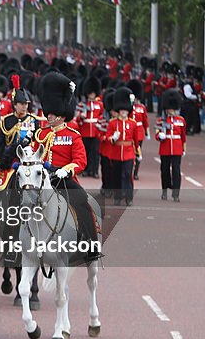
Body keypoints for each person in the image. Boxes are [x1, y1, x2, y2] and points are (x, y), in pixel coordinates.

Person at [29, 72, 99, 261]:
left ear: (61, 115)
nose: (49, 116)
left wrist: (66, 170)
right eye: (48, 113)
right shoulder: (40, 134)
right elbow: (32, 153)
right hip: (41, 179)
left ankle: (91, 245)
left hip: (62, 180)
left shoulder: (73, 135)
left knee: (83, 205)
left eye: (52, 114)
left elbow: (81, 161)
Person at [104, 87, 139, 206]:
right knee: (116, 175)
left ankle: (129, 198)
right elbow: (108, 137)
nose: (124, 111)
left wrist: (138, 152)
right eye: (122, 110)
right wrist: (113, 138)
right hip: (116, 152)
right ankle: (118, 197)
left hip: (129, 152)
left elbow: (136, 139)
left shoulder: (132, 123)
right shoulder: (112, 123)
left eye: (126, 110)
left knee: (127, 174)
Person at [155, 88, 186, 201]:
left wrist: (183, 148)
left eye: (172, 109)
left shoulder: (181, 120)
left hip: (177, 148)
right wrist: (160, 136)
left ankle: (176, 193)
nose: (171, 111)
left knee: (176, 171)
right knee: (165, 170)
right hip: (165, 148)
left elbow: (183, 136)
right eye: (169, 109)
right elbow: (157, 134)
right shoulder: (161, 120)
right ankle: (164, 190)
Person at [78, 76, 103, 178]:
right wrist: (81, 117)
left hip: (96, 130)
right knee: (86, 151)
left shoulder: (100, 104)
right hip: (85, 130)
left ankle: (95, 170)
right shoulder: (82, 104)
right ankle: (86, 170)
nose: (91, 95)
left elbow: (101, 116)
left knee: (96, 152)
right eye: (90, 93)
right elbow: (78, 118)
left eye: (93, 93)